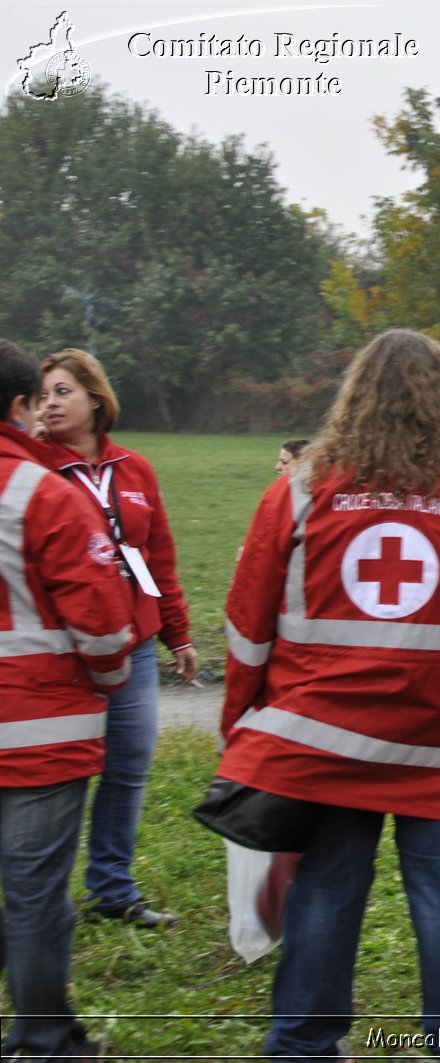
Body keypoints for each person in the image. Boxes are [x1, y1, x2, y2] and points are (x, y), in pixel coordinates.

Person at [217, 329, 440, 1060]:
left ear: (354, 399)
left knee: (328, 884)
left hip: (325, 742)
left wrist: (239, 728)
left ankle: (305, 1045)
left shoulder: (302, 492)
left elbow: (248, 623)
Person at [0, 338, 135, 1062]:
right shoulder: (44, 494)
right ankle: (44, 1039)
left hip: (35, 728)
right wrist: (110, 678)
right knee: (35, 893)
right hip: (36, 731)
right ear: (21, 405)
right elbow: (103, 622)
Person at [35, 348, 195, 928]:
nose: (50, 404)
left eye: (62, 392)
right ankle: (44, 900)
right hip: (65, 649)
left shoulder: (134, 469)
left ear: (94, 399)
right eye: (44, 394)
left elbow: (157, 557)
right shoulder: (35, 470)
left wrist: (177, 632)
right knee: (62, 773)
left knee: (127, 765)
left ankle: (113, 890)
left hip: (133, 643)